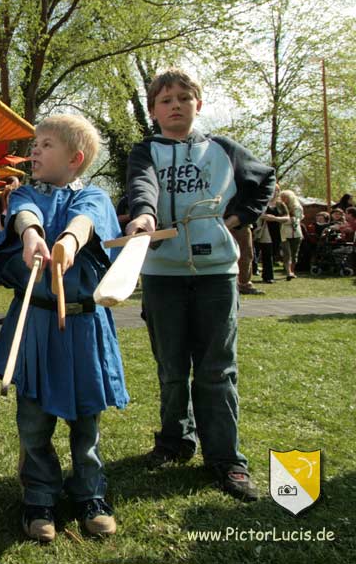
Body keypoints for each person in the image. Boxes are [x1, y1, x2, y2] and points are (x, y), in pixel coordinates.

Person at [0, 115, 128, 542]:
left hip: (84, 325)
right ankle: (39, 494)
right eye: (35, 143)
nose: (34, 150)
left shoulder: (95, 195)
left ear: (75, 158)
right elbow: (25, 213)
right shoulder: (22, 192)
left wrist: (69, 243)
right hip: (36, 321)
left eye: (46, 144)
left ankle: (90, 492)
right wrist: (32, 236)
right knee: (33, 420)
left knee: (86, 420)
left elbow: (87, 218)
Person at [125, 68, 274, 502]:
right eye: (166, 100)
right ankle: (174, 440)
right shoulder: (145, 150)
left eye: (183, 98)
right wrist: (145, 215)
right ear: (153, 110)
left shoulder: (222, 149)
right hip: (162, 274)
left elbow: (263, 180)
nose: (175, 106)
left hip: (216, 274)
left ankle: (226, 460)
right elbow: (142, 185)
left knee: (216, 368)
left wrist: (237, 219)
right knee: (172, 367)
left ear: (198, 105)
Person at [275, 189, 303, 280]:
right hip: (284, 233)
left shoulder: (297, 207)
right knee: (287, 253)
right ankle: (288, 272)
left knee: (294, 253)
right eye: (282, 197)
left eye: (285, 198)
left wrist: (284, 220)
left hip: (296, 233)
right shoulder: (279, 207)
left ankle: (292, 271)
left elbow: (297, 219)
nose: (283, 199)